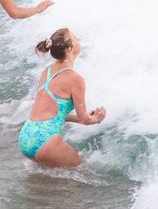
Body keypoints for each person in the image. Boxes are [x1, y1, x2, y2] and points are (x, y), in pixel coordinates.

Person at [18, 28, 105, 167]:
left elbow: (53, 113)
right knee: (80, 172)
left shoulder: (47, 71)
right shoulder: (75, 78)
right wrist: (96, 119)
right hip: (45, 139)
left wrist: (84, 116)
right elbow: (84, 120)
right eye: (76, 38)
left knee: (49, 181)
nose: (79, 40)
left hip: (26, 135)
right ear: (70, 48)